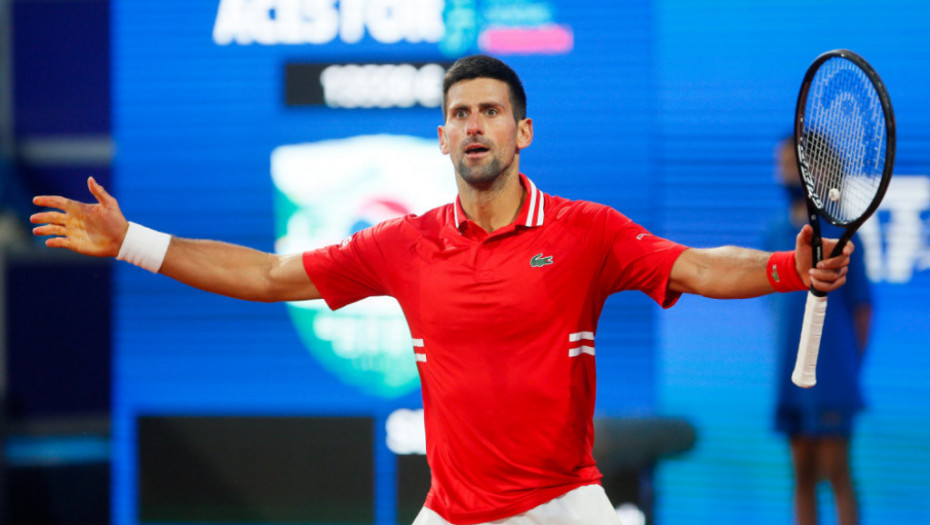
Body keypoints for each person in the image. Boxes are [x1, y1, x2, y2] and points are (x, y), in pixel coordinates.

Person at [31, 55, 853, 525]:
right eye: (460, 113)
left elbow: (698, 267)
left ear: (521, 131)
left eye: (490, 111)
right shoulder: (404, 243)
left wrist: (790, 268)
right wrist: (132, 241)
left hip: (565, 506)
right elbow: (271, 275)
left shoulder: (586, 231)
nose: (473, 124)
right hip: (452, 512)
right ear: (442, 137)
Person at [766, 136, 871, 525]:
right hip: (790, 374)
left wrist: (846, 371)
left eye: (793, 163)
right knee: (802, 475)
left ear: (821, 169)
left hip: (832, 378)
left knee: (836, 472)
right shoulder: (774, 232)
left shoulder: (843, 235)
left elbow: (862, 310)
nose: (784, 172)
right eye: (781, 164)